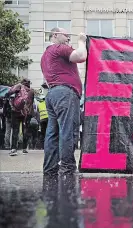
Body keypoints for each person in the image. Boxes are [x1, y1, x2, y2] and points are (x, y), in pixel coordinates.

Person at [40, 27, 87, 176]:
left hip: (53, 94)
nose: (68, 39)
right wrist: (82, 41)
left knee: (52, 133)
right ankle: (68, 168)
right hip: (65, 94)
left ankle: (50, 168)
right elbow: (80, 56)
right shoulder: (59, 48)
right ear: (55, 35)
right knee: (69, 131)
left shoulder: (45, 56)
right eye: (66, 35)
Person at [5, 78, 34, 156]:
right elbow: (32, 103)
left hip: (16, 111)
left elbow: (9, 93)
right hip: (27, 113)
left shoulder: (18, 86)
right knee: (25, 130)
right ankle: (24, 149)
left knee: (15, 129)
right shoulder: (31, 91)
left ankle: (14, 149)